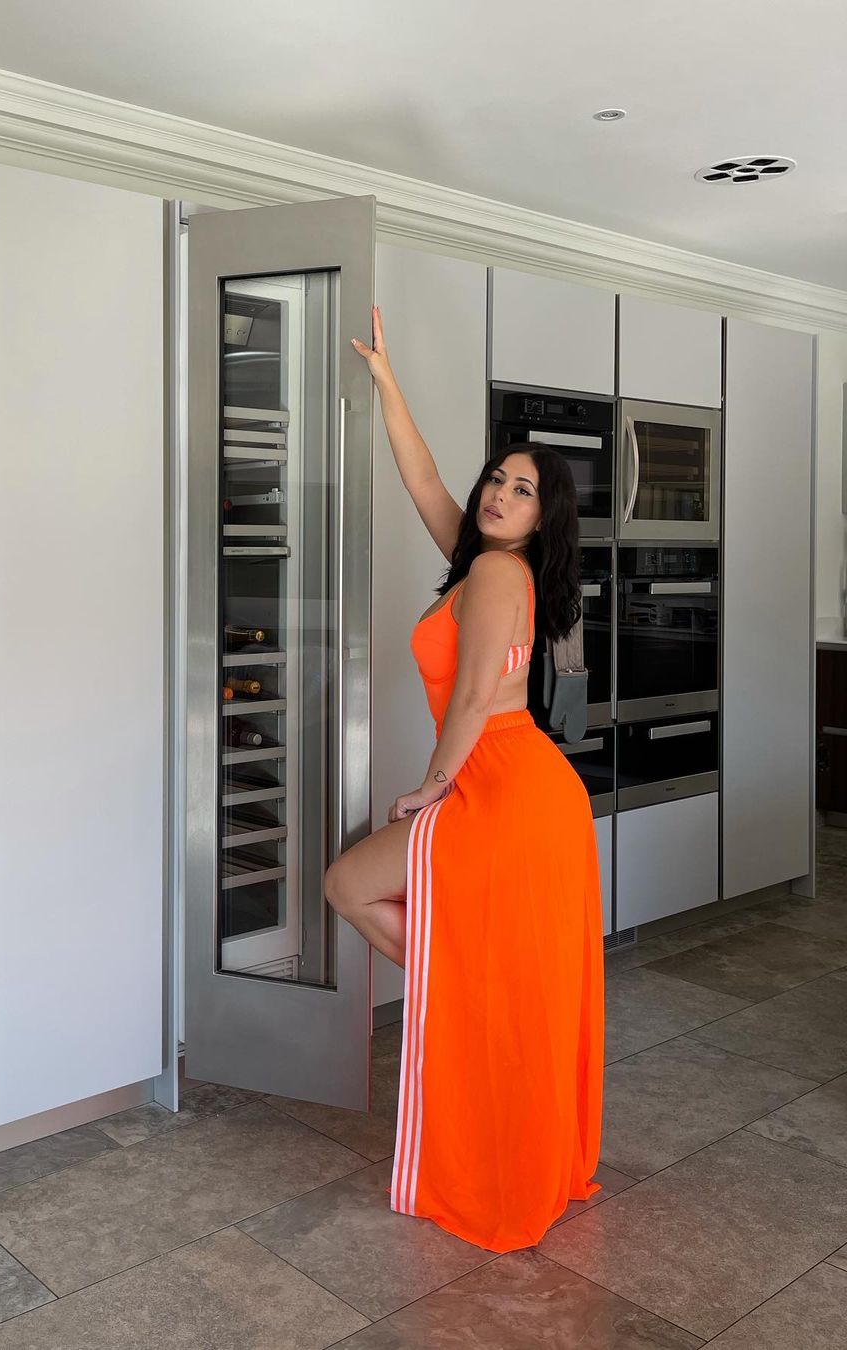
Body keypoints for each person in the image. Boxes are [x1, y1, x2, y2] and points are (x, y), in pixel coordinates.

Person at [325, 306, 604, 1253]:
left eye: (522, 491)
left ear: (541, 517)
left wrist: (430, 785)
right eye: (498, 479)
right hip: (522, 784)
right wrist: (387, 382)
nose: (498, 495)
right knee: (496, 967)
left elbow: (478, 693)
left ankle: (460, 994)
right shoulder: (485, 561)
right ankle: (465, 991)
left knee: (348, 884)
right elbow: (425, 481)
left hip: (501, 783)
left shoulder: (493, 578)